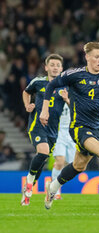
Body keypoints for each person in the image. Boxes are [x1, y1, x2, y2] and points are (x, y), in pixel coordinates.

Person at [40, 42, 99, 209]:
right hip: (79, 127)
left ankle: (52, 187)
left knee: (78, 166)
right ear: (87, 57)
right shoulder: (75, 74)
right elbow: (51, 85)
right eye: (96, 57)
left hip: (96, 128)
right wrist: (44, 110)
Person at [21, 54, 68, 206]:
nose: (55, 67)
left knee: (42, 159)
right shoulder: (38, 82)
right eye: (52, 65)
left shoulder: (66, 86)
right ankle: (29, 181)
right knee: (42, 152)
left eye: (57, 65)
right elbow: (26, 92)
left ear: (61, 69)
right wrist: (27, 105)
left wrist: (68, 99)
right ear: (46, 67)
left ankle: (29, 189)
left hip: (54, 130)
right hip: (37, 126)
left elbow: (75, 105)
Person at [51, 103, 76, 200]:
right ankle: (55, 191)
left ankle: (56, 171)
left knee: (71, 164)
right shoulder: (56, 94)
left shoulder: (75, 94)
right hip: (58, 132)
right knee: (60, 161)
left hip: (71, 132)